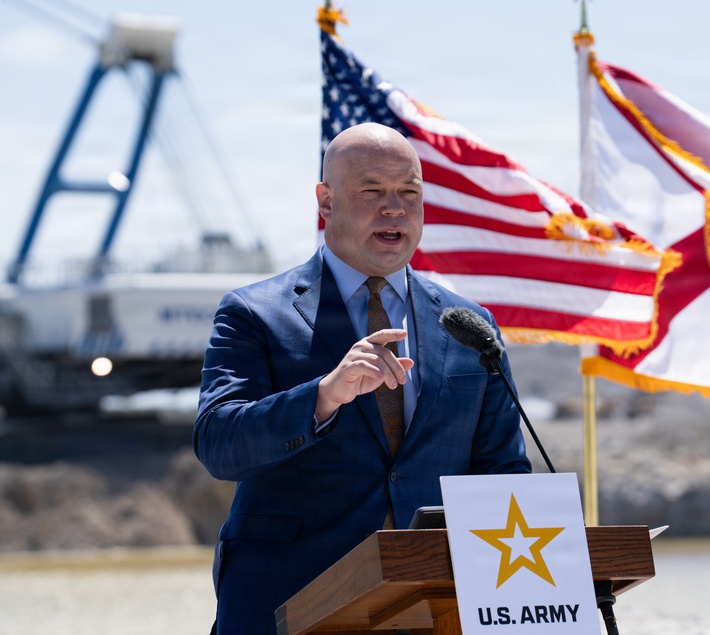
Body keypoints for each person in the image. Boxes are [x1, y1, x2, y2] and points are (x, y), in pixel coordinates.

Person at [194, 122, 531, 635]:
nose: (394, 208)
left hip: (434, 608)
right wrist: (324, 396)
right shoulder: (253, 313)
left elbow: (502, 473)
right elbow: (219, 445)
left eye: (409, 193)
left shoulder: (470, 326)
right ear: (325, 201)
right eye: (372, 191)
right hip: (286, 601)